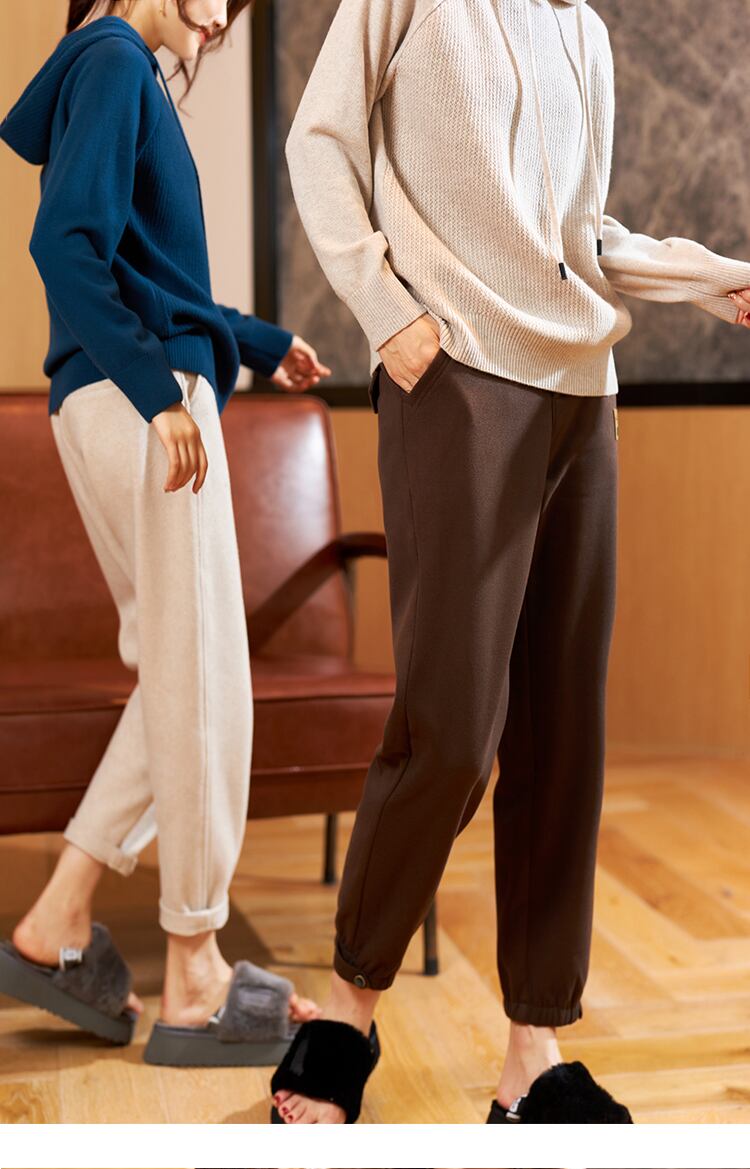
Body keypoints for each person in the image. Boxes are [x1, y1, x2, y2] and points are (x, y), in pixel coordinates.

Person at [270, 0, 750, 1123]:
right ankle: (348, 1008)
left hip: (583, 394)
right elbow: (319, 142)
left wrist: (712, 274)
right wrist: (386, 311)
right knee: (451, 724)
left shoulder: (582, 29)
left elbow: (583, 236)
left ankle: (533, 1050)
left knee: (563, 729)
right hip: (458, 381)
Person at [0, 0, 330, 1066]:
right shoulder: (111, 60)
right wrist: (160, 393)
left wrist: (258, 340)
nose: (222, 16)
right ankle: (195, 970)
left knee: (176, 674)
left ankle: (57, 921)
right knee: (204, 679)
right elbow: (65, 244)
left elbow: (146, 279)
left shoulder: (112, 69)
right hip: (140, 402)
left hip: (114, 397)